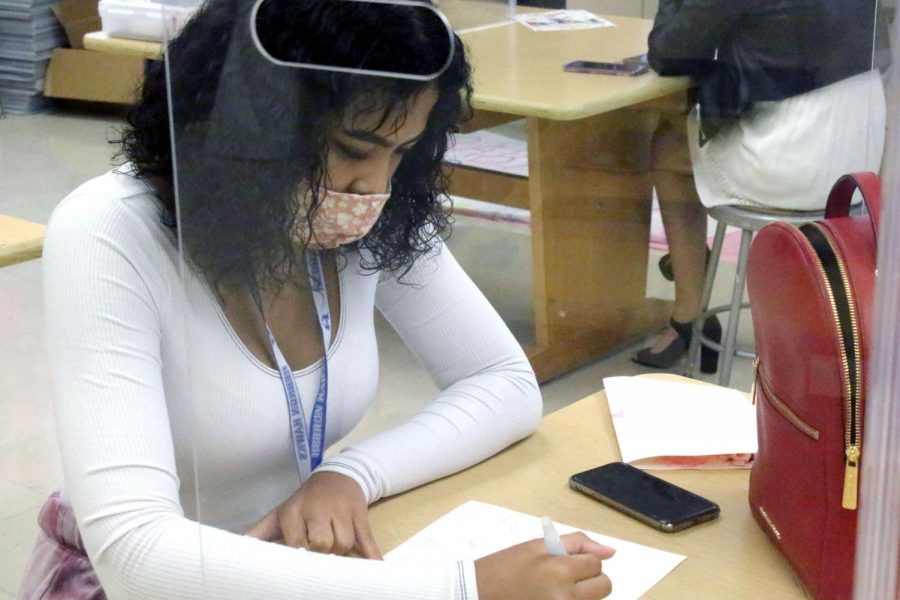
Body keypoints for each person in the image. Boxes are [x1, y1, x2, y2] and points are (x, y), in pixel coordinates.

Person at [18, 1, 615, 599]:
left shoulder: (359, 215)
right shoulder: (110, 230)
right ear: (251, 124)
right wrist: (461, 590)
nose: (374, 186)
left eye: (401, 152)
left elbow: (502, 381)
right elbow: (136, 555)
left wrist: (350, 474)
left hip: (300, 566)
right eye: (354, 150)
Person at [633, 0, 886, 372]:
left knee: (669, 148)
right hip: (860, 157)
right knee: (686, 139)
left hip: (791, 160)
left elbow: (668, 52)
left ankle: (688, 313)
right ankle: (694, 285)